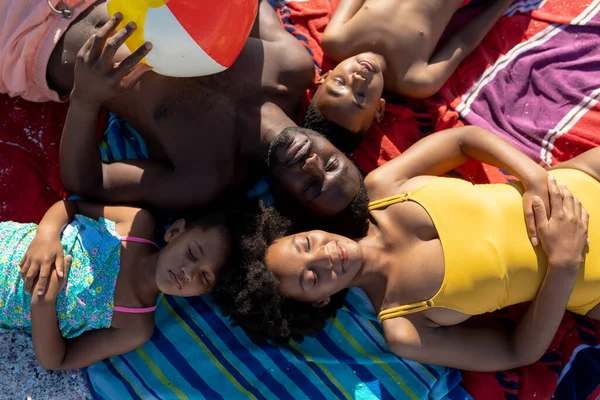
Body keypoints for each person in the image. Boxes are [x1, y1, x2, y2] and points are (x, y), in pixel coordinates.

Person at [216, 126, 600, 371]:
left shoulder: (384, 187)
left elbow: (461, 140)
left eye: (305, 244)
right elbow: (515, 351)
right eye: (311, 278)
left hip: (583, 179)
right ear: (319, 301)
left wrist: (534, 178)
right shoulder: (404, 328)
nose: (323, 255)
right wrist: (563, 263)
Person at [1, 0, 316, 211]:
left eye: (312, 188)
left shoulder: (204, 176)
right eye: (334, 165)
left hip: (23, 43)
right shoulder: (291, 66)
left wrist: (86, 97)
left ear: (287, 200)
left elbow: (89, 183)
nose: (313, 166)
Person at [0, 199, 231, 370]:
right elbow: (72, 207)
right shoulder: (136, 224)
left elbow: (58, 360)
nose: (188, 273)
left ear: (205, 291)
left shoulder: (135, 326)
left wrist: (44, 301)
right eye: (191, 253)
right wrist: (47, 235)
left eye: (204, 277)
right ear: (175, 231)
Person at [303, 0, 515, 150]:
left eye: (340, 82)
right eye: (361, 97)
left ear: (324, 76)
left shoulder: (336, 39)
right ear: (379, 109)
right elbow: (464, 41)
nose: (357, 79)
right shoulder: (416, 81)